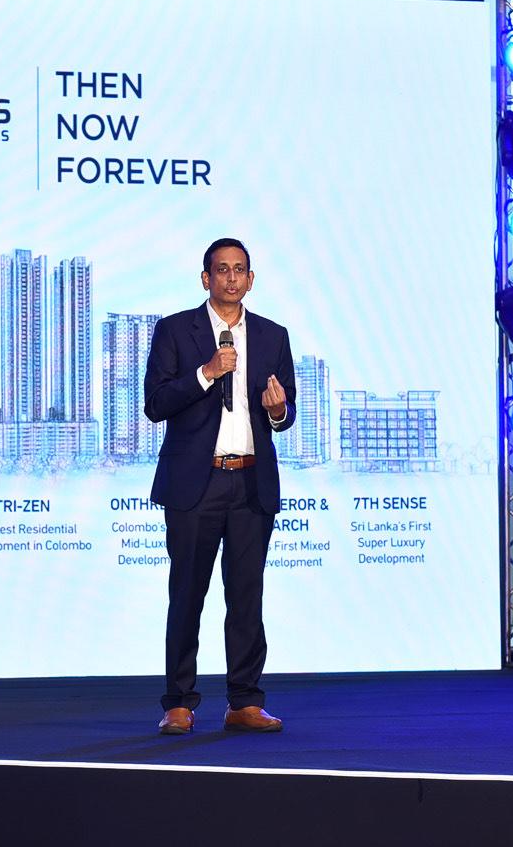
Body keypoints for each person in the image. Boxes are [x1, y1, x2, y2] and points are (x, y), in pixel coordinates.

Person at [144, 238, 296, 735]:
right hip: (196, 483)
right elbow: (155, 404)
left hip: (251, 481)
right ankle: (179, 703)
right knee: (187, 595)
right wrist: (207, 373)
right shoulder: (175, 331)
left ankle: (244, 702)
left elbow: (286, 410)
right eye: (222, 269)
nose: (231, 278)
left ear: (251, 279)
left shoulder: (273, 336)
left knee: (247, 597)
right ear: (205, 278)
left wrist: (279, 410)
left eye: (240, 270)